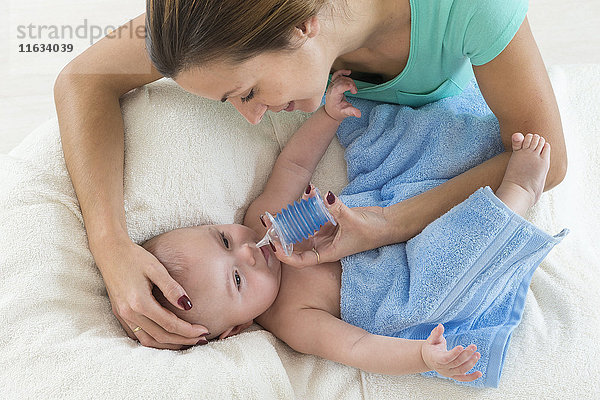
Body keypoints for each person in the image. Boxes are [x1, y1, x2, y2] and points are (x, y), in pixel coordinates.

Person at [54, 0, 567, 349]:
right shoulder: (219, 21)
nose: (251, 117)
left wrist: (388, 223)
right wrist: (111, 244)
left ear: (302, 26)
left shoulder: (471, 10)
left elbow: (551, 158)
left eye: (248, 91)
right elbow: (81, 79)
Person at [138, 73, 555, 386]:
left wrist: (327, 116)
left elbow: (295, 166)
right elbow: (359, 346)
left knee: (407, 169)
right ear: (237, 329)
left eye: (223, 239)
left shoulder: (260, 219)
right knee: (447, 271)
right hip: (395, 282)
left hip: (381, 218)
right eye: (236, 278)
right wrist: (423, 357)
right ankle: (517, 193)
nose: (248, 251)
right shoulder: (290, 319)